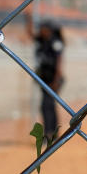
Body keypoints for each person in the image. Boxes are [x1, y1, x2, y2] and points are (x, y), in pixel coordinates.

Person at [25, 11, 64, 143]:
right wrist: (28, 19)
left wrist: (56, 81)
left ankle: (49, 135)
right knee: (48, 106)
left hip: (53, 79)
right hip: (45, 79)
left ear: (49, 30)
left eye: (42, 28)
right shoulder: (43, 40)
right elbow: (31, 34)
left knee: (47, 106)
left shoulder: (55, 42)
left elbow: (59, 63)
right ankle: (53, 133)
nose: (40, 30)